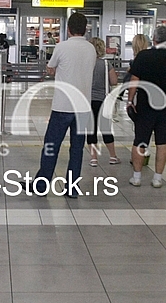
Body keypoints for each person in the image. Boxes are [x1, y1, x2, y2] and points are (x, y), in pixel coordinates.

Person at [32, 13, 97, 196]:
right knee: (77, 149)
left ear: (68, 29)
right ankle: (72, 188)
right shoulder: (91, 49)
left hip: (62, 106)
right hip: (83, 107)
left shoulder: (61, 47)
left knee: (51, 146)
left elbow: (51, 68)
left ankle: (42, 185)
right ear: (85, 29)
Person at [126, 25, 166, 188]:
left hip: (145, 107)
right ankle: (157, 178)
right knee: (162, 142)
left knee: (140, 141)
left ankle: (137, 177)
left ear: (154, 38)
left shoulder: (143, 56)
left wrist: (130, 100)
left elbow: (134, 82)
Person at [87, 37, 120, 167]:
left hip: (88, 101)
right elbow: (114, 81)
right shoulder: (106, 64)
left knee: (91, 130)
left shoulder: (85, 64)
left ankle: (93, 158)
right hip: (103, 101)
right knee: (106, 129)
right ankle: (113, 156)